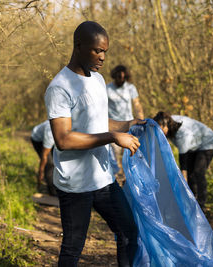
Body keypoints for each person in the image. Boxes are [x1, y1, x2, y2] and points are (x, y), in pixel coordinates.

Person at [44, 21, 142, 267]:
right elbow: (63, 139)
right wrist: (112, 137)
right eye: (97, 50)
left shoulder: (97, 80)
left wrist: (130, 124)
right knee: (73, 248)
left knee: (129, 232)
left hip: (104, 179)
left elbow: (99, 121)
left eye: (105, 52)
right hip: (75, 185)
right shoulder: (59, 88)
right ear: (79, 46)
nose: (102, 57)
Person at [153, 111, 213, 209]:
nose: (159, 131)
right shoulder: (169, 120)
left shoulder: (182, 134)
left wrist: (183, 183)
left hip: (208, 142)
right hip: (194, 143)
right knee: (191, 173)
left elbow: (184, 165)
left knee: (198, 172)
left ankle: (201, 204)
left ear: (166, 124)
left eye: (160, 128)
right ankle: (192, 200)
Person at [107, 65, 144, 179]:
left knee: (128, 154)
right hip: (114, 126)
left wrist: (141, 120)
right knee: (115, 154)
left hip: (129, 124)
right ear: (115, 76)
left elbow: (137, 104)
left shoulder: (130, 88)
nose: (121, 79)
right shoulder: (107, 88)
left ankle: (128, 177)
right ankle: (118, 177)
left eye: (123, 77)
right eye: (119, 77)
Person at [30, 120, 57, 195]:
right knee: (49, 164)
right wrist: (40, 173)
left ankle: (56, 183)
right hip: (37, 139)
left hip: (51, 138)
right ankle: (52, 191)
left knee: (56, 160)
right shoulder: (50, 132)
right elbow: (44, 157)